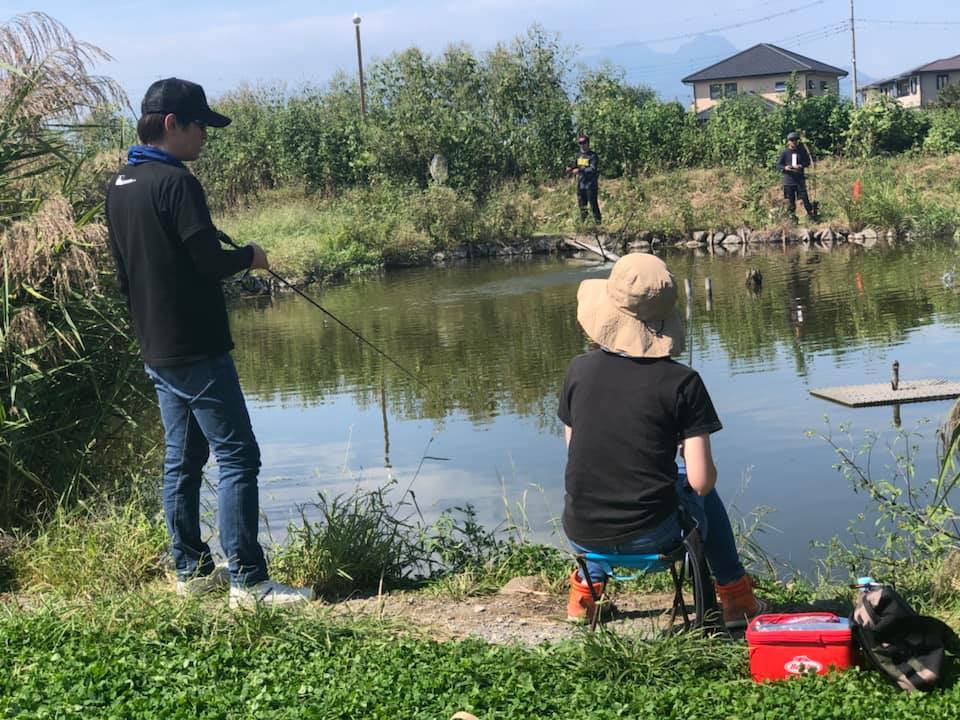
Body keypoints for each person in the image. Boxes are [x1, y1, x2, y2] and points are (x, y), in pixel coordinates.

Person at [105, 78, 314, 608]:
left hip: (157, 348)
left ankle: (191, 571)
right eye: (200, 124)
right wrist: (250, 257)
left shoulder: (121, 184)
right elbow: (208, 262)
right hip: (196, 348)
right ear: (171, 123)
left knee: (183, 460)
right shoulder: (178, 184)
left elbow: (125, 277)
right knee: (239, 455)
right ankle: (249, 582)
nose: (204, 134)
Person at [558, 253, 765, 628]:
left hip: (582, 533)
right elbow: (702, 482)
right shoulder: (683, 382)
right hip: (655, 538)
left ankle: (584, 596)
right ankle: (736, 597)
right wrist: (685, 456)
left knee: (600, 486)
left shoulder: (578, 370)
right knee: (700, 492)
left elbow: (577, 451)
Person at [776, 131, 816, 222]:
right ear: (788, 141)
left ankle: (811, 216)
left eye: (795, 140)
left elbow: (807, 162)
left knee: (805, 199)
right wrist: (785, 167)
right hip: (789, 180)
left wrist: (801, 166)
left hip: (800, 179)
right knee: (790, 201)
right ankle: (792, 219)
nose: (794, 142)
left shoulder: (801, 151)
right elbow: (778, 165)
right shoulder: (785, 152)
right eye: (792, 140)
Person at [569, 134, 601, 224]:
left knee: (593, 205)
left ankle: (598, 224)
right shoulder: (578, 155)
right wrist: (570, 169)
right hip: (581, 184)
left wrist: (580, 170)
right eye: (580, 143)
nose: (582, 145)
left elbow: (592, 169)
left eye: (584, 142)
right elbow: (575, 166)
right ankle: (584, 225)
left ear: (588, 143)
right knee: (582, 206)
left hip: (590, 185)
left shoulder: (593, 156)